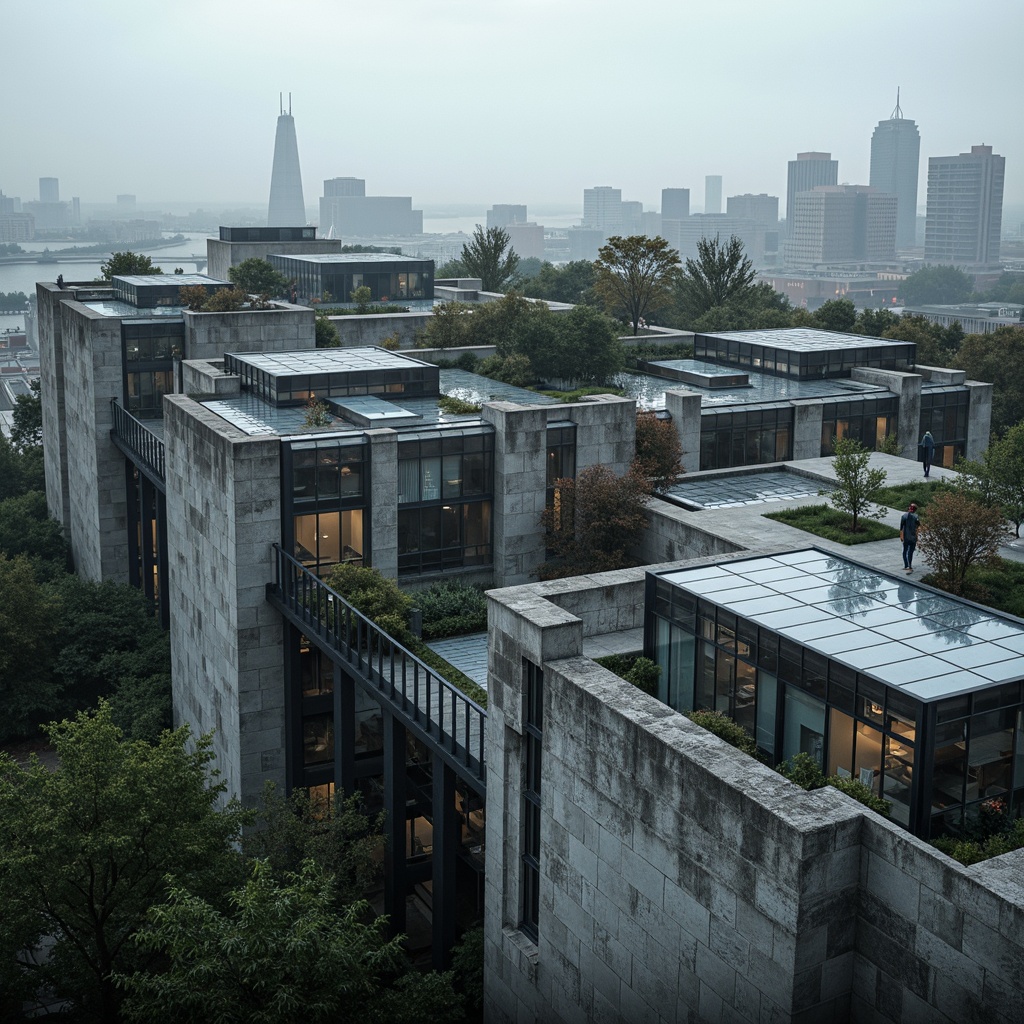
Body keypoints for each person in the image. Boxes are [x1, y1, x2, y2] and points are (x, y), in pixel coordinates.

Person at [900, 503, 919, 573]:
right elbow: (917, 527)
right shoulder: (916, 517)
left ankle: (906, 565)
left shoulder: (904, 516)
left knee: (905, 551)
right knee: (910, 552)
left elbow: (901, 527)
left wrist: (901, 536)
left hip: (906, 537)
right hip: (913, 537)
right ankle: (909, 565)